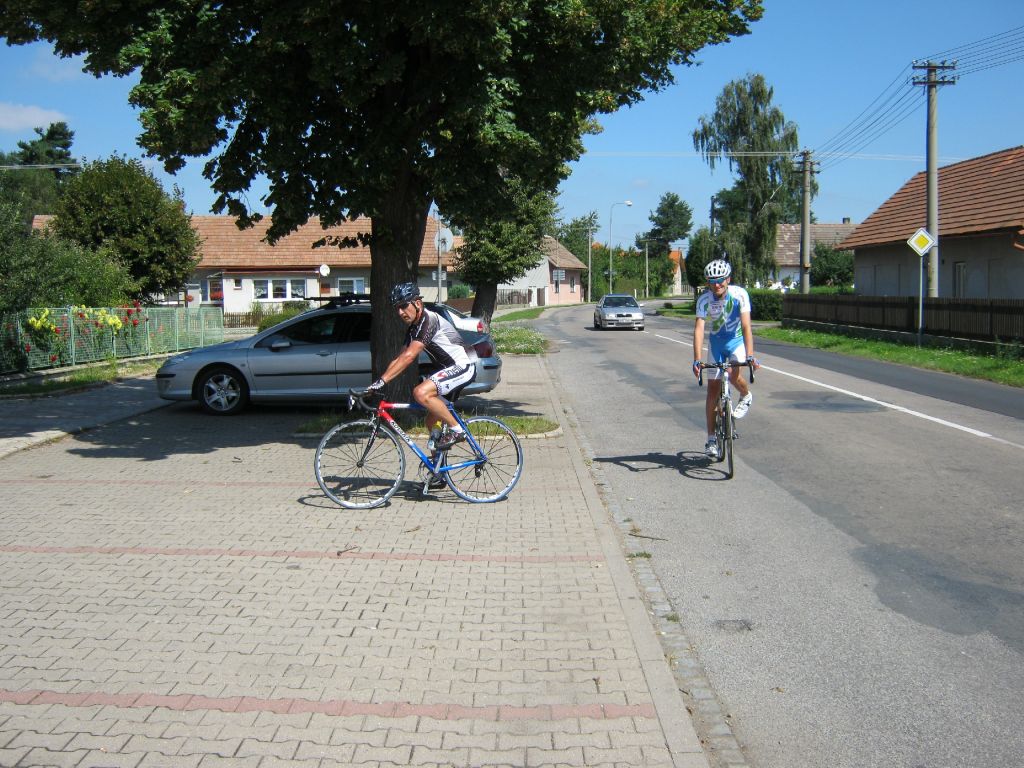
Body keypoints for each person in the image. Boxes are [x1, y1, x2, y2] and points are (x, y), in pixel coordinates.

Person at [367, 282, 477, 468]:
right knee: (431, 420)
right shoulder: (413, 328)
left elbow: (410, 356)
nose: (400, 312)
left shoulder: (429, 320)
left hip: (463, 365)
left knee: (420, 393)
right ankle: (438, 470)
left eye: (404, 306)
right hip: (450, 369)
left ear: (417, 303)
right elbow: (400, 358)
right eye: (397, 308)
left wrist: (383, 380)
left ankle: (458, 431)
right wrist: (377, 382)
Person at [692, 259, 759, 460]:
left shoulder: (740, 295)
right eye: (712, 281)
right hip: (716, 344)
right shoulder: (704, 300)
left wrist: (750, 355)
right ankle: (711, 439)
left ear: (728, 279)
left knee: (733, 375)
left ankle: (745, 395)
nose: (717, 285)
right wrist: (697, 359)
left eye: (720, 280)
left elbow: (746, 326)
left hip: (736, 341)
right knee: (712, 390)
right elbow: (699, 329)